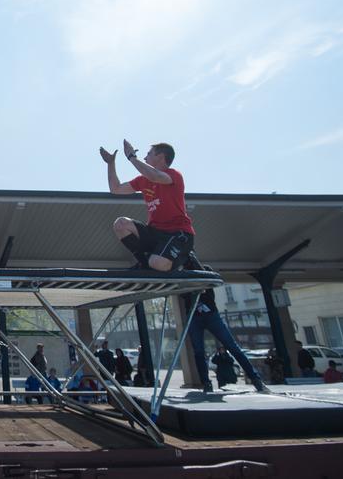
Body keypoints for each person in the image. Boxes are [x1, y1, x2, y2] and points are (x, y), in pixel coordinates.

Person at [99, 141, 195, 272]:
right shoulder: (142, 180)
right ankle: (144, 264)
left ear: (160, 157)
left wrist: (132, 157)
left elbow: (155, 176)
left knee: (156, 263)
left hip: (177, 234)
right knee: (121, 224)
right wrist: (110, 163)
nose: (144, 158)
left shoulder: (173, 175)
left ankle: (186, 261)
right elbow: (116, 189)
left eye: (149, 154)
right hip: (154, 232)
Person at [188, 288, 268, 393]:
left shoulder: (203, 277)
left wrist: (194, 289)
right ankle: (206, 383)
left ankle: (255, 379)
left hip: (209, 312)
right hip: (196, 314)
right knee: (199, 352)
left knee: (231, 346)